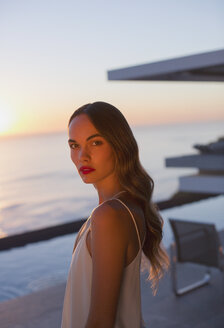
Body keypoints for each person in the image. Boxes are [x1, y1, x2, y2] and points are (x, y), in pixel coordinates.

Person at [61, 101, 169, 328]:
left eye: (95, 142)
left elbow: (101, 322)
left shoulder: (109, 215)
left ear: (119, 146)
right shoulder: (123, 207)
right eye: (74, 145)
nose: (82, 156)